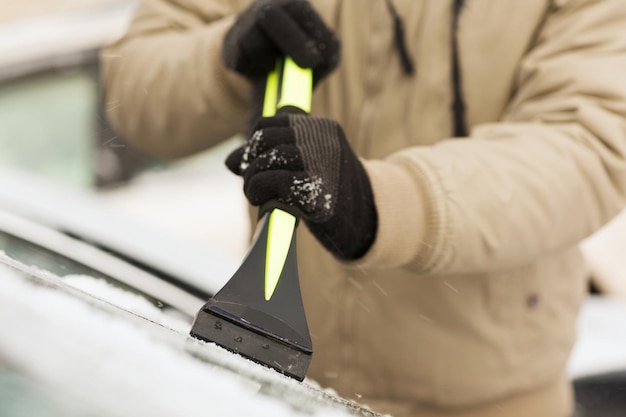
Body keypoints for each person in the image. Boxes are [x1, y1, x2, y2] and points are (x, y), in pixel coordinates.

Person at [100, 0, 626, 416]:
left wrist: (386, 203)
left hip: (489, 403)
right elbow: (131, 97)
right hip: (279, 387)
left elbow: (589, 143)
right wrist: (221, 58)